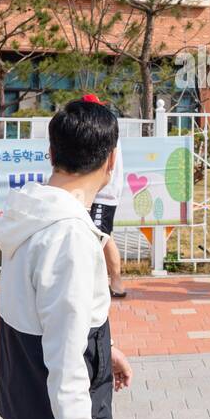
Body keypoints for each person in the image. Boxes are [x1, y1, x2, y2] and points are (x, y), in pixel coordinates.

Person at [0, 98, 142, 419]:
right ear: (112, 161)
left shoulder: (29, 212)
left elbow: (46, 315)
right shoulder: (70, 235)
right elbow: (62, 344)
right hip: (60, 416)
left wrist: (104, 349)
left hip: (22, 401)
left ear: (52, 153)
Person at [81, 95, 126, 298]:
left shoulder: (102, 130)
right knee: (105, 237)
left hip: (103, 193)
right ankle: (114, 283)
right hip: (99, 193)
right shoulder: (106, 127)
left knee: (101, 239)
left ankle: (114, 283)